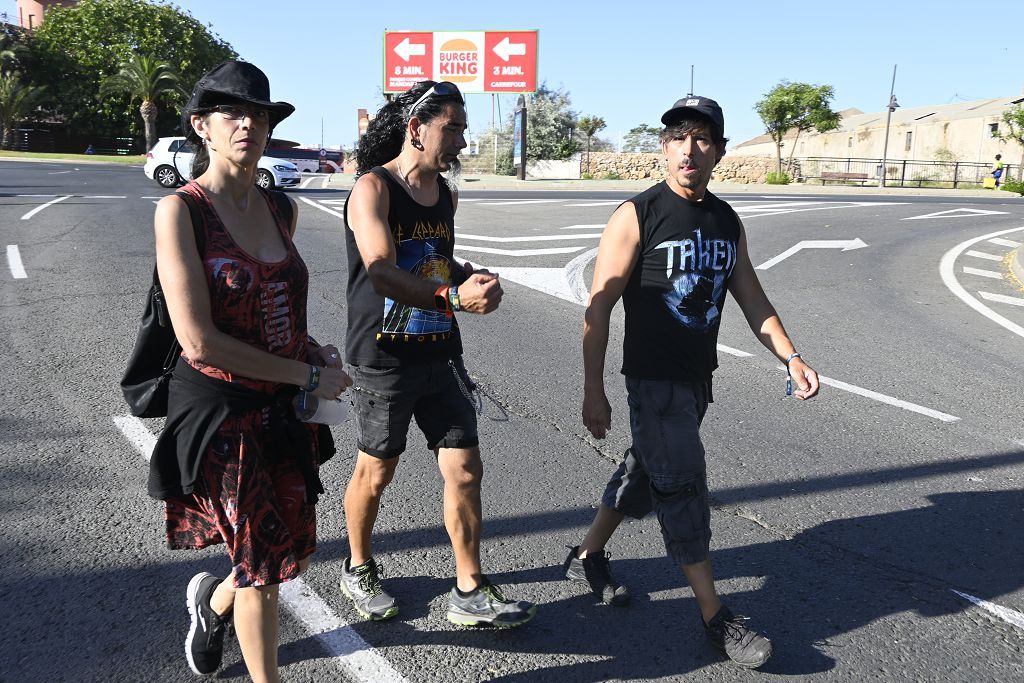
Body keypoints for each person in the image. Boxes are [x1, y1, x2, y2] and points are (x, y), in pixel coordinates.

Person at [566, 95, 820, 669]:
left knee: (644, 470)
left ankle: (587, 554)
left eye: (702, 138)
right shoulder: (638, 215)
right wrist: (593, 388)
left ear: (720, 152)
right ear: (663, 148)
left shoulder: (726, 221)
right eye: (678, 137)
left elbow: (751, 296)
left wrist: (790, 355)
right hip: (652, 382)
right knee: (681, 485)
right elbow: (601, 306)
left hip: (696, 381)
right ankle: (716, 617)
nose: (689, 149)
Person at [147, 60, 351, 682]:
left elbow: (278, 309)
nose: (248, 125)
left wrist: (310, 351)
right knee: (262, 568)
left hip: (283, 408)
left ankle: (211, 606)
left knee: (289, 549)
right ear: (201, 127)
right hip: (221, 411)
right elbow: (199, 341)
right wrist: (308, 379)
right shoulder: (182, 213)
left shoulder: (280, 208)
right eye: (232, 113)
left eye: (258, 115)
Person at [340, 80, 536, 627]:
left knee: (465, 469)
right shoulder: (372, 190)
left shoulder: (446, 195)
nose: (460, 143)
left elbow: (433, 261)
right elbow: (381, 270)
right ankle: (357, 566)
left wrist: (468, 277)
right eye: (451, 129)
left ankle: (469, 588)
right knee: (377, 471)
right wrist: (454, 295)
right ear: (416, 128)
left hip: (439, 351)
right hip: (384, 356)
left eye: (462, 131)